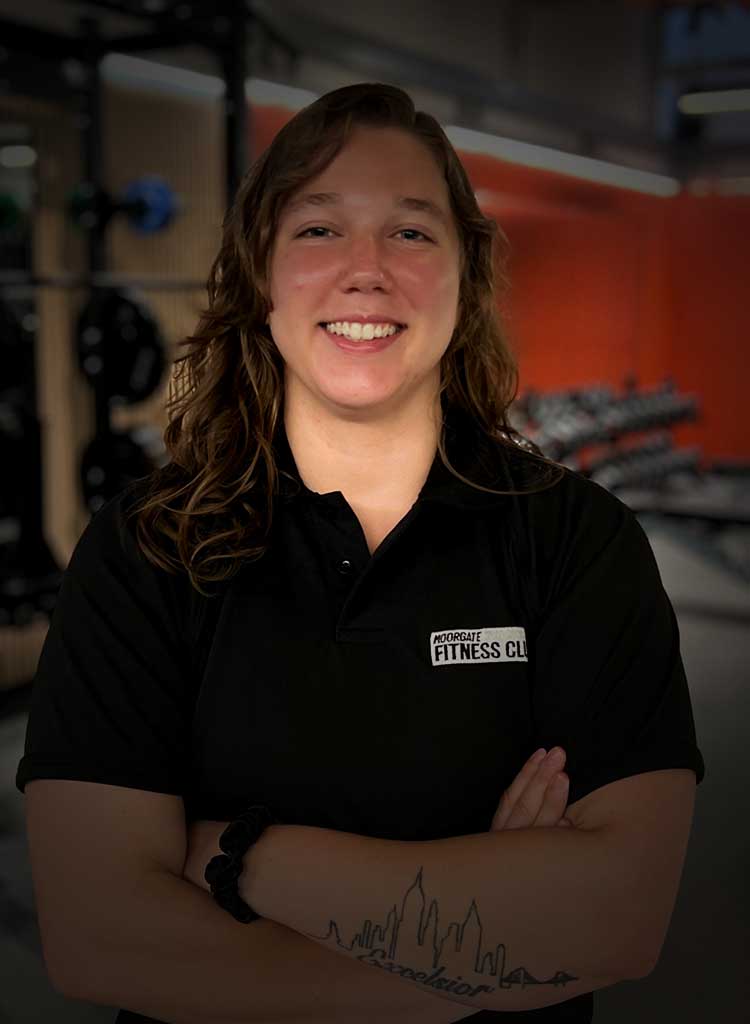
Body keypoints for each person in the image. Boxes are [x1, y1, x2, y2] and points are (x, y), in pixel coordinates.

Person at [17, 83, 704, 1024]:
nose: (366, 271)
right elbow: (100, 939)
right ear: (261, 277)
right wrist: (460, 979)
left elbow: (617, 920)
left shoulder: (578, 541)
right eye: (318, 231)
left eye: (412, 233)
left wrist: (238, 858)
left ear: (465, 278)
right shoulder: (147, 549)